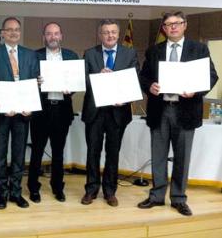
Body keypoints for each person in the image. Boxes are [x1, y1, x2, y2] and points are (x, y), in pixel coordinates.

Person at [137, 11, 218, 216]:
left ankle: (179, 198)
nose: (172, 27)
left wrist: (196, 90)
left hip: (186, 111)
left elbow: (211, 76)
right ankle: (156, 196)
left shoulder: (199, 49)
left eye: (177, 23)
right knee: (158, 156)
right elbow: (143, 77)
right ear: (163, 28)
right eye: (168, 24)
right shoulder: (154, 50)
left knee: (182, 157)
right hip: (160, 110)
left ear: (185, 25)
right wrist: (150, 86)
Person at [81, 19, 139, 207]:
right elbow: (83, 80)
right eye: (106, 32)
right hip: (95, 112)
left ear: (118, 34)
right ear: (100, 35)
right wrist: (99, 78)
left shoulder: (129, 53)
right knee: (92, 153)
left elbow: (134, 80)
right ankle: (91, 190)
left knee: (113, 153)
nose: (110, 35)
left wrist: (126, 97)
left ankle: (110, 191)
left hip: (118, 112)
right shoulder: (90, 53)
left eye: (113, 32)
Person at [0, 17, 39, 209]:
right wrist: (1, 105)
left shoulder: (30, 55)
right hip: (2, 114)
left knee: (18, 155)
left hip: (23, 114)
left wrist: (31, 104)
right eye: (9, 30)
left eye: (17, 29)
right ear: (2, 33)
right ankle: (2, 193)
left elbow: (33, 84)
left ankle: (16, 192)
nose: (13, 33)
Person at [28, 22, 78, 203]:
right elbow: (27, 80)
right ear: (44, 37)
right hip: (41, 110)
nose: (53, 37)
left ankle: (57, 187)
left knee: (58, 152)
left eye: (56, 33)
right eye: (49, 34)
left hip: (62, 110)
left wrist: (70, 88)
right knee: (37, 151)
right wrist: (36, 82)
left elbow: (77, 82)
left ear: (61, 36)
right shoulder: (35, 56)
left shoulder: (71, 56)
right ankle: (33, 188)